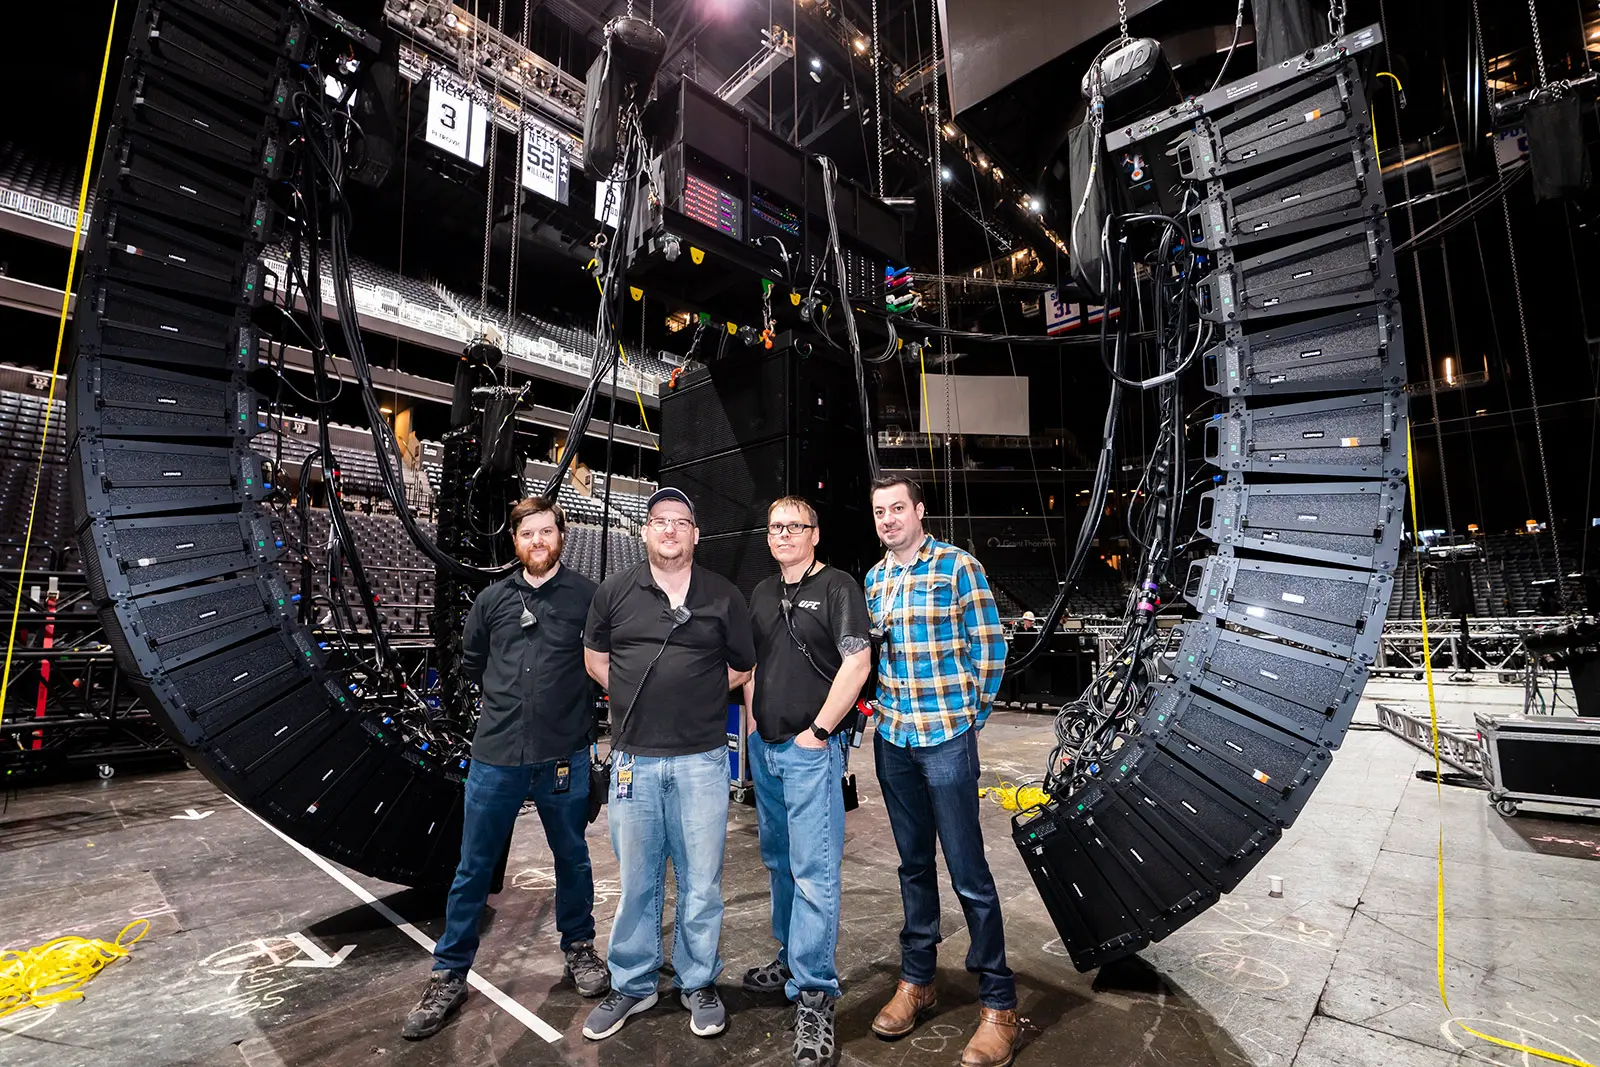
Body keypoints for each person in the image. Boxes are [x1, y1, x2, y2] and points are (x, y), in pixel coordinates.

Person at [402, 496, 607, 1040]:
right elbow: (473, 663)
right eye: (527, 534)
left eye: (546, 532)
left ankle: (579, 947)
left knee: (573, 859)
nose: (538, 542)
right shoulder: (491, 601)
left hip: (564, 754)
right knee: (473, 867)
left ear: (561, 536)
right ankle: (449, 973)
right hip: (496, 756)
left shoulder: (588, 597)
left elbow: (602, 662)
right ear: (514, 542)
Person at [580, 487, 757, 1041]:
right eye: (660, 520)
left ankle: (697, 980)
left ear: (695, 535)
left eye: (681, 521)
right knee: (637, 880)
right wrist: (638, 695)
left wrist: (697, 692)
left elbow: (743, 668)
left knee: (702, 882)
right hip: (633, 759)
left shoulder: (724, 595)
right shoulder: (614, 591)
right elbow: (595, 659)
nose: (671, 529)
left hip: (702, 760)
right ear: (646, 531)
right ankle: (632, 983)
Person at [863, 475, 1018, 1067]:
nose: (888, 519)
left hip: (945, 737)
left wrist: (968, 716)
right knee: (912, 865)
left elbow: (990, 647)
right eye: (880, 511)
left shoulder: (957, 566)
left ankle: (999, 1004)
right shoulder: (875, 580)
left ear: (919, 510)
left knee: (969, 871)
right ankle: (917, 979)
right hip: (893, 738)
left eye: (897, 508)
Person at [741, 497, 872, 1067]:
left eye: (794, 526)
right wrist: (753, 733)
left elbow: (857, 663)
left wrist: (818, 733)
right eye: (776, 527)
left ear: (814, 534)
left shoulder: (839, 586)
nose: (784, 534)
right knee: (779, 863)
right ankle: (791, 958)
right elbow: (751, 668)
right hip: (766, 750)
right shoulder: (761, 593)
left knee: (814, 873)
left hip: (811, 753)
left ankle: (815, 994)